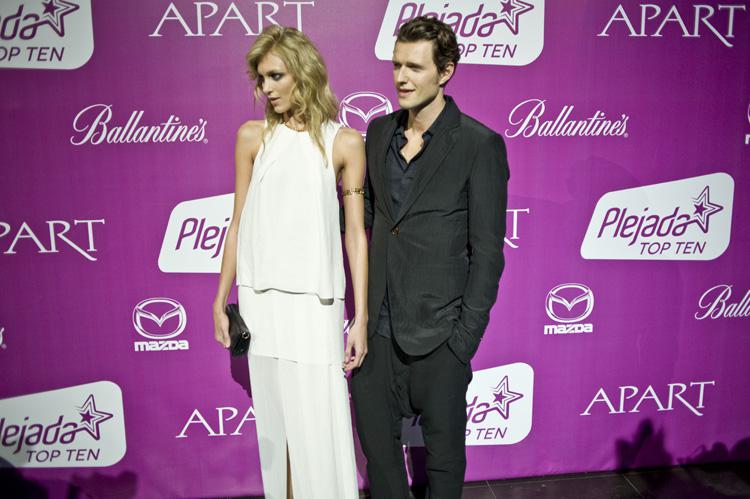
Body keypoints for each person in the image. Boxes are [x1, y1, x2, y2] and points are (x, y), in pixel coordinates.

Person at [349, 16, 509, 499]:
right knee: (380, 462)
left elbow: (488, 253)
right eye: (397, 65)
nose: (401, 77)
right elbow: (366, 216)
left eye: (415, 67)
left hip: (441, 336)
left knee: (443, 466)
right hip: (377, 332)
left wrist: (462, 343)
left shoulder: (479, 145)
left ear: (445, 71)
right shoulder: (378, 133)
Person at [212, 26, 368, 499]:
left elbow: (355, 234)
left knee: (318, 422)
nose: (267, 88)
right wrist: (220, 299)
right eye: (262, 79)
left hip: (316, 303)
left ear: (305, 72)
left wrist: (359, 318)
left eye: (276, 75)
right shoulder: (252, 137)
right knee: (277, 425)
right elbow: (238, 222)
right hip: (261, 300)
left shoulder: (344, 142)